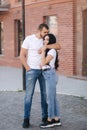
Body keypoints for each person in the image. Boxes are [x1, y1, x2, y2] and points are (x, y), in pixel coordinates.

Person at [20, 23, 61, 128]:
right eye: (45, 32)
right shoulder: (29, 39)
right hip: (32, 71)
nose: (46, 34)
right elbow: (22, 55)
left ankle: (45, 117)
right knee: (29, 96)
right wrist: (27, 68)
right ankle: (26, 119)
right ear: (39, 30)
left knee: (44, 95)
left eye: (47, 32)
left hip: (44, 72)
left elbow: (58, 46)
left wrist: (45, 46)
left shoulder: (46, 40)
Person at [40, 34, 61, 128]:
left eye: (47, 39)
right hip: (49, 74)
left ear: (51, 41)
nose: (45, 41)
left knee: (50, 99)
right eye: (44, 39)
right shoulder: (50, 50)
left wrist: (43, 51)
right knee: (53, 98)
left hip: (50, 75)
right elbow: (43, 63)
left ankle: (50, 120)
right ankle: (56, 119)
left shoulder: (52, 51)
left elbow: (43, 62)